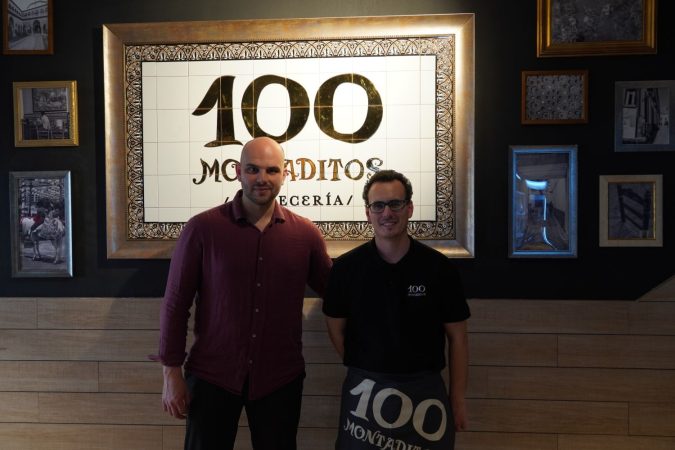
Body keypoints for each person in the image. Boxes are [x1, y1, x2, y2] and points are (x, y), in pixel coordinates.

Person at [157, 136, 332, 450]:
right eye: (253, 169)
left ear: (284, 174)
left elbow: (338, 292)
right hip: (212, 375)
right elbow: (175, 305)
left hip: (280, 377)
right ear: (237, 171)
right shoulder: (202, 229)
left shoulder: (305, 234)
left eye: (271, 170)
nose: (262, 178)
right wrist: (171, 373)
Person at [323, 170, 470, 450]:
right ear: (368, 212)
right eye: (378, 206)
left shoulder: (440, 269)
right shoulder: (345, 269)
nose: (386, 212)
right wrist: (370, 364)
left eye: (395, 204)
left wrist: (458, 399)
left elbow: (458, 338)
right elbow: (335, 326)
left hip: (426, 392)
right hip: (364, 393)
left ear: (409, 208)